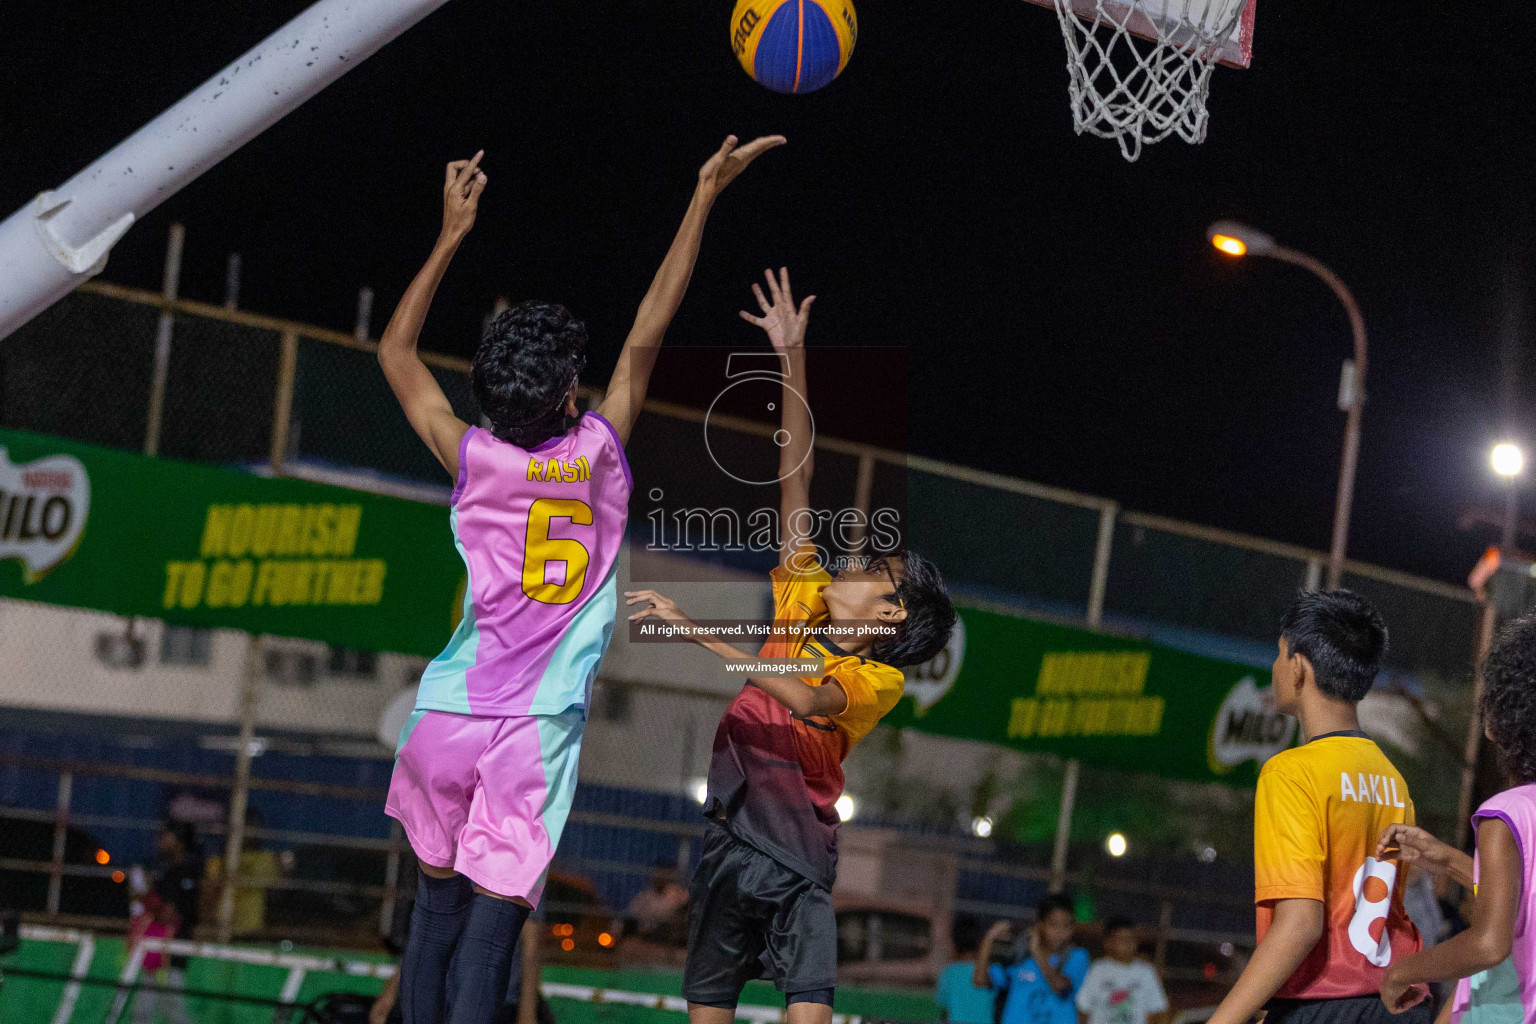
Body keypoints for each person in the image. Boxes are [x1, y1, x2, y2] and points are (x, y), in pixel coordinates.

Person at [378, 134, 785, 1024]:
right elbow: (650, 328)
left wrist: (450, 234)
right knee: (491, 932)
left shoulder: (471, 456)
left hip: (448, 711)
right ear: (570, 400)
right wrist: (703, 195)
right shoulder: (599, 456)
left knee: (435, 914)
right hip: (534, 727)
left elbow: (397, 357)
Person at [624, 269, 956, 1024]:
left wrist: (696, 631)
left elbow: (805, 697)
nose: (858, 560)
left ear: (890, 619)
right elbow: (794, 477)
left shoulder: (876, 682)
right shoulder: (799, 601)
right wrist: (791, 357)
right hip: (726, 842)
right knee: (706, 1010)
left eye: (877, 571)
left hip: (796, 861)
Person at [1205, 590, 1429, 1024]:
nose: (1274, 667)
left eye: (1278, 654)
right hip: (1393, 1005)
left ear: (1299, 667)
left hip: (1325, 1006)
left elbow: (1301, 924)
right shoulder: (1392, 780)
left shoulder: (1291, 773)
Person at [1374, 613, 1536, 1023]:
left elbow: (1489, 944)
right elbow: (1522, 907)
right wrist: (1446, 859)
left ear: (1498, 721)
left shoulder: (1507, 814)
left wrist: (1400, 973)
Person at [972, 894, 1089, 1024]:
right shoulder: (1020, 958)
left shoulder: (1076, 956)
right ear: (1040, 925)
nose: (1060, 932)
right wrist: (988, 939)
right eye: (1053, 925)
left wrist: (1036, 950)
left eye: (1067, 926)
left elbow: (1060, 987)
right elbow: (980, 980)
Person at [1075, 917, 1169, 1024]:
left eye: (1131, 939)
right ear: (1108, 943)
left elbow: (1156, 1009)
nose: (1128, 944)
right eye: (1122, 940)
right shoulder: (1098, 969)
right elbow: (1084, 1007)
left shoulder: (1146, 972)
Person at [935, 921, 995, 1024]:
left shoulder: (949, 972)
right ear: (980, 942)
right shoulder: (991, 971)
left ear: (954, 942)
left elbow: (944, 1004)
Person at [625, 861, 689, 943]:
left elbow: (672, 913)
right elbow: (633, 912)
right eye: (656, 874)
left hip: (665, 932)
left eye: (662, 875)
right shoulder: (646, 896)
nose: (658, 878)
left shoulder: (676, 893)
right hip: (645, 931)